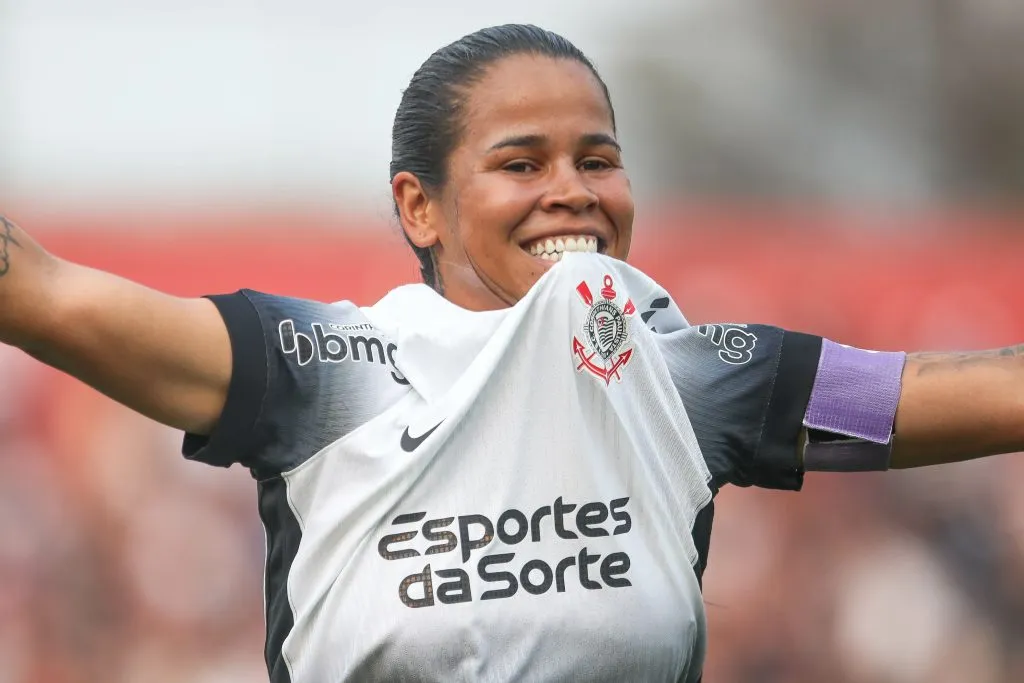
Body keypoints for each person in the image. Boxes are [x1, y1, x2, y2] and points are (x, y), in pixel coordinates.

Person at [0, 23, 1021, 683]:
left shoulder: (688, 374)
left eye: (598, 159)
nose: (571, 188)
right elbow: (43, 292)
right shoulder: (316, 361)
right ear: (419, 205)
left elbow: (919, 395)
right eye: (519, 163)